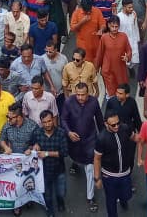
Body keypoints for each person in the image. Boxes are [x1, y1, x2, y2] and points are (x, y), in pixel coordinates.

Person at [60, 82, 104, 213]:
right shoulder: (68, 102)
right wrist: (68, 132)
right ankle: (75, 163)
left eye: (82, 95)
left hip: (90, 139)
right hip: (74, 139)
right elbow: (63, 119)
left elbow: (100, 120)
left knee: (90, 167)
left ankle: (90, 197)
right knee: (75, 156)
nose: (80, 97)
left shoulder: (94, 102)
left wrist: (103, 139)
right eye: (77, 94)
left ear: (88, 93)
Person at [93, 110, 135, 217]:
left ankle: (123, 200)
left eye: (118, 123)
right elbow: (97, 159)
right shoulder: (101, 138)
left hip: (125, 173)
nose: (117, 126)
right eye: (113, 125)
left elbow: (135, 138)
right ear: (106, 124)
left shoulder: (125, 128)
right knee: (111, 200)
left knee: (126, 195)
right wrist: (97, 178)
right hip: (109, 176)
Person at [32, 109, 69, 217]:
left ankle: (60, 202)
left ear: (53, 120)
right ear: (41, 122)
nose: (47, 124)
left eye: (49, 121)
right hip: (44, 171)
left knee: (60, 192)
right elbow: (31, 145)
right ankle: (50, 210)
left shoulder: (61, 133)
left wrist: (47, 153)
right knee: (47, 194)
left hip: (59, 170)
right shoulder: (37, 133)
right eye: (45, 122)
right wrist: (34, 146)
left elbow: (64, 153)